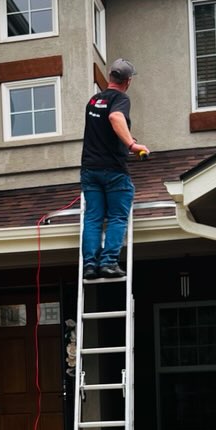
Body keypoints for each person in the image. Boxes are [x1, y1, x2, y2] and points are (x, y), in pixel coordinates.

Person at [80, 58, 149, 280]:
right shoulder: (120, 99)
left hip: (90, 170)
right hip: (113, 171)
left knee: (93, 218)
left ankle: (90, 265)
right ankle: (109, 263)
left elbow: (103, 133)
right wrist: (132, 145)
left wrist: (125, 140)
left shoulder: (93, 101)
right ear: (127, 81)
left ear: (110, 77)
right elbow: (115, 117)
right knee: (118, 216)